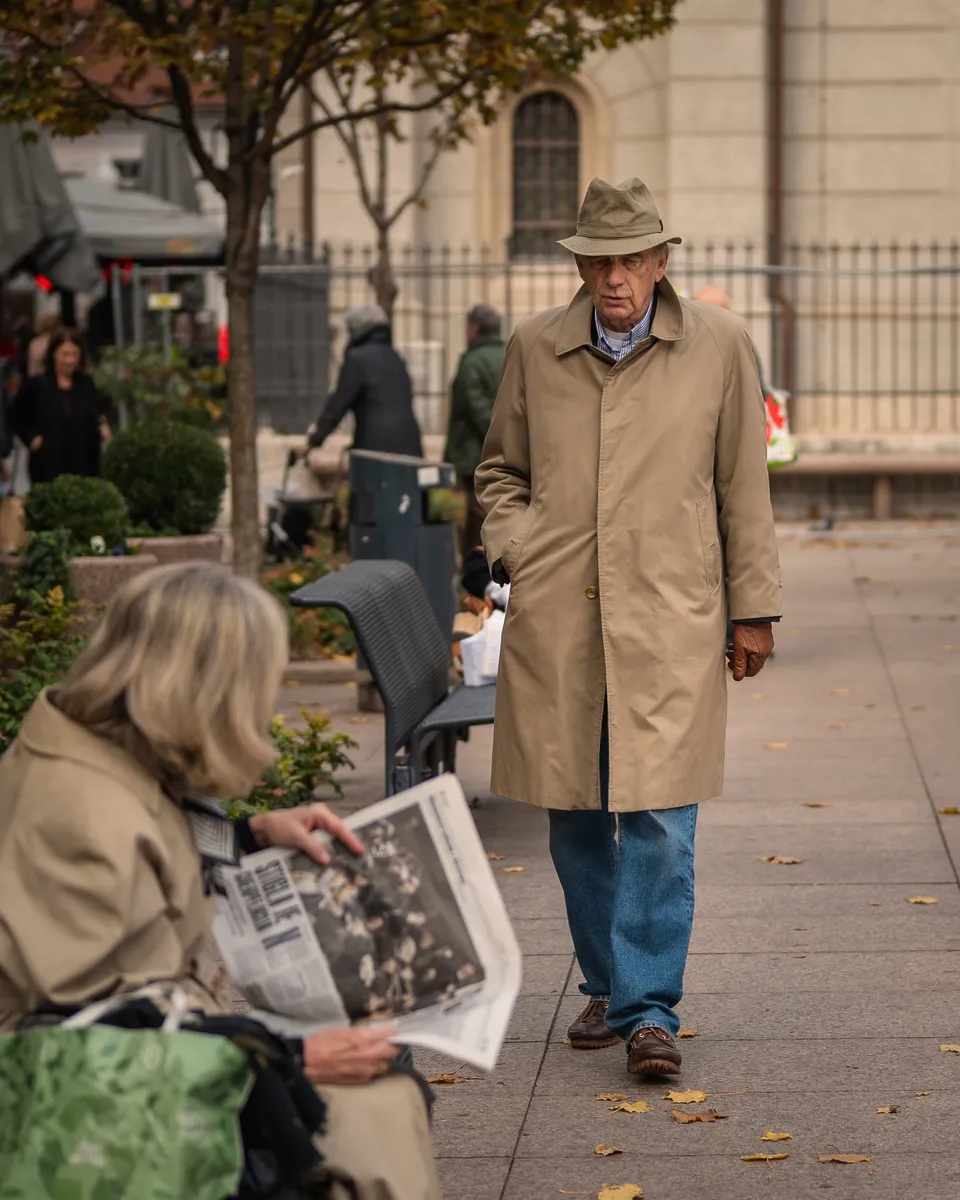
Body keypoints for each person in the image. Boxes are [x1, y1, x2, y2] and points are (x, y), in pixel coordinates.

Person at [0, 562, 441, 1199]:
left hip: (150, 1057)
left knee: (381, 1087)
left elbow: (149, 829)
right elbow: (76, 1042)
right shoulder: (78, 818)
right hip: (88, 1107)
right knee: (377, 1112)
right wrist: (287, 1061)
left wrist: (250, 835)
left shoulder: (90, 747)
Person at [476, 177, 781, 1078]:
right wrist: (520, 550)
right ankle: (609, 985)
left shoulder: (722, 345)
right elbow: (499, 472)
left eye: (631, 259)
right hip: (561, 621)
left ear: (660, 261)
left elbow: (744, 488)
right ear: (581, 265)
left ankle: (649, 1011)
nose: (615, 278)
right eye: (599, 261)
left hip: (672, 616)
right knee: (573, 815)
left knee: (658, 816)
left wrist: (753, 607)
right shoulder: (536, 347)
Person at [303, 303, 422, 460]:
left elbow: (338, 405)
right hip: (410, 444)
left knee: (371, 484)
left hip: (376, 449)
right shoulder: (395, 357)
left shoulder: (357, 359)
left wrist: (313, 441)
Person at [9, 326, 109, 486]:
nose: (70, 360)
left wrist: (102, 425)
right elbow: (16, 415)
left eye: (74, 354)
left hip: (84, 463)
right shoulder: (37, 384)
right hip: (47, 464)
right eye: (65, 354)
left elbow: (97, 410)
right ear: (54, 354)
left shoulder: (87, 383)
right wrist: (32, 438)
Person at [445, 304, 506, 558]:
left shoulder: (471, 361)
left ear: (475, 328)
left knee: (475, 520)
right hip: (504, 453)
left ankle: (477, 575)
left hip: (474, 453)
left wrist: (494, 438)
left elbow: (474, 407)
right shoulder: (510, 353)